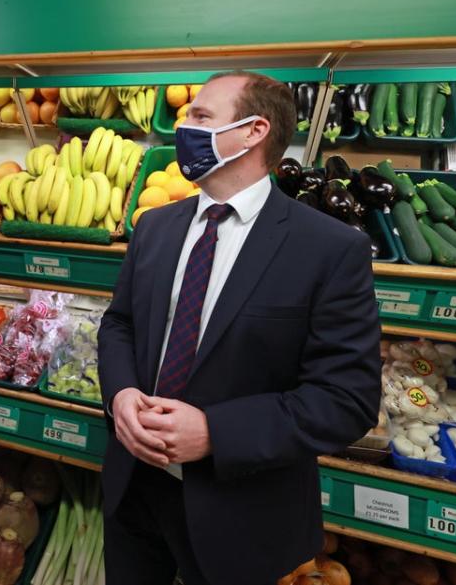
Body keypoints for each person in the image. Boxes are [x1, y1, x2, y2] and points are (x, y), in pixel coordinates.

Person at [97, 71, 381, 585]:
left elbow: (347, 399)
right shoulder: (155, 227)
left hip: (242, 507)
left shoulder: (329, 249)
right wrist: (120, 394)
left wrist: (214, 433)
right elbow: (120, 325)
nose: (184, 129)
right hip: (135, 490)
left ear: (253, 131)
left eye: (200, 117)